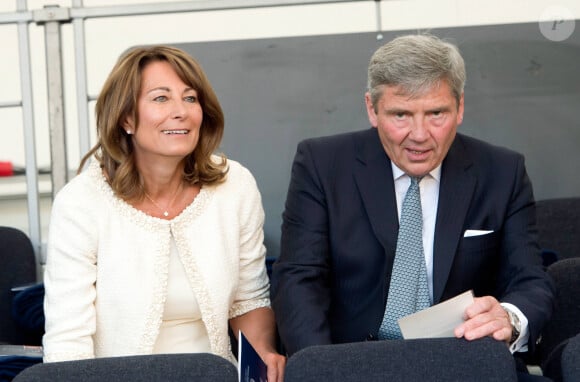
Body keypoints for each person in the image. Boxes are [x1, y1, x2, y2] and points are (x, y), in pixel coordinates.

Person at [271, 34, 554, 380]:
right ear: (372, 109)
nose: (419, 135)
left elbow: (529, 280)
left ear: (460, 107)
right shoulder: (322, 164)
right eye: (401, 114)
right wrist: (323, 369)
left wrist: (508, 317)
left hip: (462, 364)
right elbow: (299, 279)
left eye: (436, 113)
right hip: (354, 366)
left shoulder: (501, 171)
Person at [43, 45, 285, 381]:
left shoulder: (235, 184)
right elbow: (68, 338)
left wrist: (261, 362)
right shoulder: (81, 202)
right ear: (126, 117)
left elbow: (248, 300)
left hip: (215, 375)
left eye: (190, 98)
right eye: (160, 98)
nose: (181, 111)